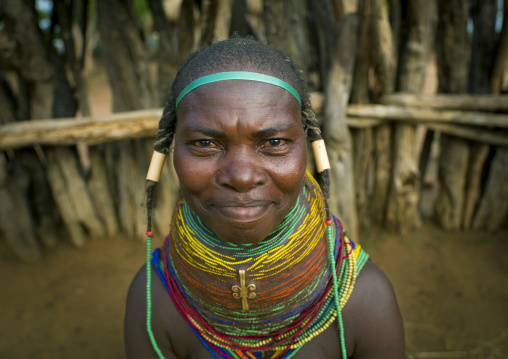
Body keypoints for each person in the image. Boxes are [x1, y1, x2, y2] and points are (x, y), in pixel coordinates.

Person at [125, 37, 405, 359]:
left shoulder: (364, 300)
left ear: (311, 147)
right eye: (204, 143)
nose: (242, 177)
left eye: (274, 141)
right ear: (168, 152)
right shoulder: (152, 302)